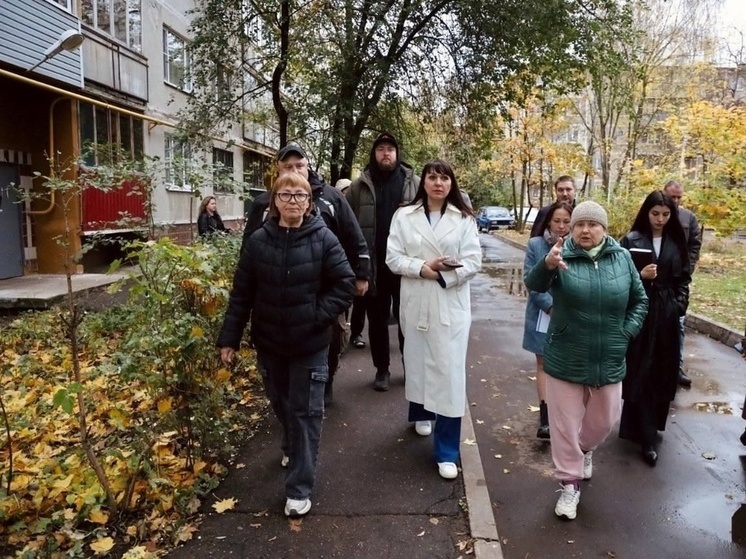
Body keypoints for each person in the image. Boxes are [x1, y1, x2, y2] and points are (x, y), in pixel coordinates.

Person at [218, 172, 355, 518]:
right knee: (281, 404)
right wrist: (229, 339)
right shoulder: (259, 241)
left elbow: (345, 283)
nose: (293, 201)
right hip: (270, 344)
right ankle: (292, 444)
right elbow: (241, 294)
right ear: (274, 202)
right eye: (286, 195)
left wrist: (315, 314)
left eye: (300, 196)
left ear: (309, 203)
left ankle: (298, 489)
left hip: (310, 344)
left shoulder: (323, 238)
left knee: (305, 413)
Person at [524, 200, 648, 521]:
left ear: (604, 230)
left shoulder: (622, 259)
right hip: (566, 355)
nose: (585, 230)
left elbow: (639, 300)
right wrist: (547, 266)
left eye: (592, 224)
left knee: (606, 418)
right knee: (564, 425)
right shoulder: (560, 255)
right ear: (571, 228)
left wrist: (626, 332)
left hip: (610, 356)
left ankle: (584, 450)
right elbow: (534, 284)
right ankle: (569, 484)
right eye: (579, 224)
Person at [243, 145, 370, 406]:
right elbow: (248, 251)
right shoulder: (264, 203)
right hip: (280, 293)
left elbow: (354, 237)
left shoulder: (332, 198)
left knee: (333, 338)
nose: (294, 171)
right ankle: (292, 396)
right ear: (278, 169)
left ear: (307, 166)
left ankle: (325, 380)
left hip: (327, 289)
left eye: (299, 165)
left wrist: (361, 274)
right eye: (287, 166)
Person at [385, 159, 481, 480]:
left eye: (444, 178)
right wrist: (423, 268)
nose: (438, 183)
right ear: (423, 182)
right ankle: (421, 412)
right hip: (417, 300)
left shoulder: (464, 219)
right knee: (418, 362)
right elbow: (393, 257)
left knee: (450, 374)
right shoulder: (404, 216)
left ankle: (447, 451)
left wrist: (443, 277)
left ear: (451, 184)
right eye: (432, 177)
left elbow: (473, 261)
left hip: (449, 304)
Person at [619, 191, 691, 466]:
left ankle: (651, 430)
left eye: (665, 214)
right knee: (640, 369)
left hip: (666, 315)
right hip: (640, 310)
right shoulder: (631, 239)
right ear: (646, 212)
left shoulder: (676, 241)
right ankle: (642, 433)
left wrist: (678, 305)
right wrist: (640, 276)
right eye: (655, 213)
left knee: (661, 370)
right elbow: (619, 274)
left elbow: (684, 277)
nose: (660, 219)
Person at [346, 132, 420, 391]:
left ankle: (411, 369)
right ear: (374, 153)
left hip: (407, 267)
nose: (386, 153)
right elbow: (348, 227)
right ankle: (382, 370)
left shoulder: (415, 184)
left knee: (407, 321)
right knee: (376, 321)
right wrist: (357, 268)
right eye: (381, 149)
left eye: (390, 148)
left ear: (397, 153)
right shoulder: (359, 187)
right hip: (374, 266)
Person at [522, 201, 573, 440]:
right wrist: (551, 307)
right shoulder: (535, 244)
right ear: (548, 222)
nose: (561, 226)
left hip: (572, 315)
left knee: (566, 366)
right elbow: (531, 281)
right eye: (557, 221)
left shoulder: (578, 245)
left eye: (566, 221)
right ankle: (545, 418)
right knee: (543, 364)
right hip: (543, 314)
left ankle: (564, 415)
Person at [662, 180, 702, 387]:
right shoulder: (656, 214)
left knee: (678, 324)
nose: (675, 201)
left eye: (679, 197)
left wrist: (688, 267)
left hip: (679, 281)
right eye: (672, 197)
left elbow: (695, 244)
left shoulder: (689, 218)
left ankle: (676, 367)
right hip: (656, 279)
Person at [336, 177, 367, 348]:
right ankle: (343, 330)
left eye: (349, 190)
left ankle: (356, 333)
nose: (347, 193)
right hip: (340, 261)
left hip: (356, 260)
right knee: (343, 299)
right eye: (344, 191)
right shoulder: (336, 210)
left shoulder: (360, 210)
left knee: (360, 300)